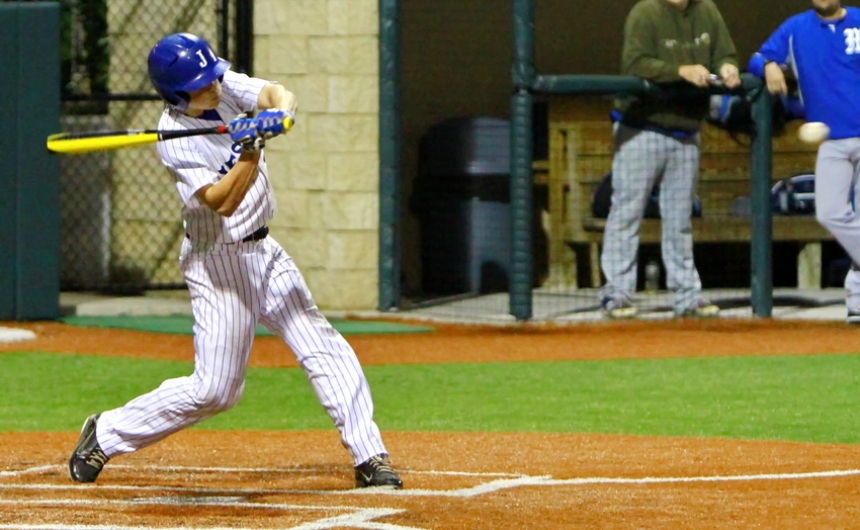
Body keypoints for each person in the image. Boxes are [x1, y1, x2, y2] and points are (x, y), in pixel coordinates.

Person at [67, 33, 403, 489]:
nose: (215, 88)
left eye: (212, 77)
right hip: (218, 264)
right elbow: (221, 202)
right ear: (177, 95)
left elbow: (276, 94)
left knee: (321, 344)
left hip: (264, 250)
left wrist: (273, 115)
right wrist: (250, 149)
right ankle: (105, 432)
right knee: (216, 391)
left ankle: (370, 456)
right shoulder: (175, 142)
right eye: (201, 85)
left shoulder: (221, 84)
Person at [599, 0, 741, 319]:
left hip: (686, 131)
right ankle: (617, 293)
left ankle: (687, 296)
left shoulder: (707, 10)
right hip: (642, 127)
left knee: (679, 220)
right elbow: (635, 63)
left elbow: (725, 54)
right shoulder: (645, 11)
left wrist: (729, 67)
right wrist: (680, 71)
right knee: (627, 211)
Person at [748, 0, 860, 324]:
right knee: (829, 212)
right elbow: (755, 58)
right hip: (832, 141)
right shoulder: (796, 28)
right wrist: (768, 65)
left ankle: (857, 302)